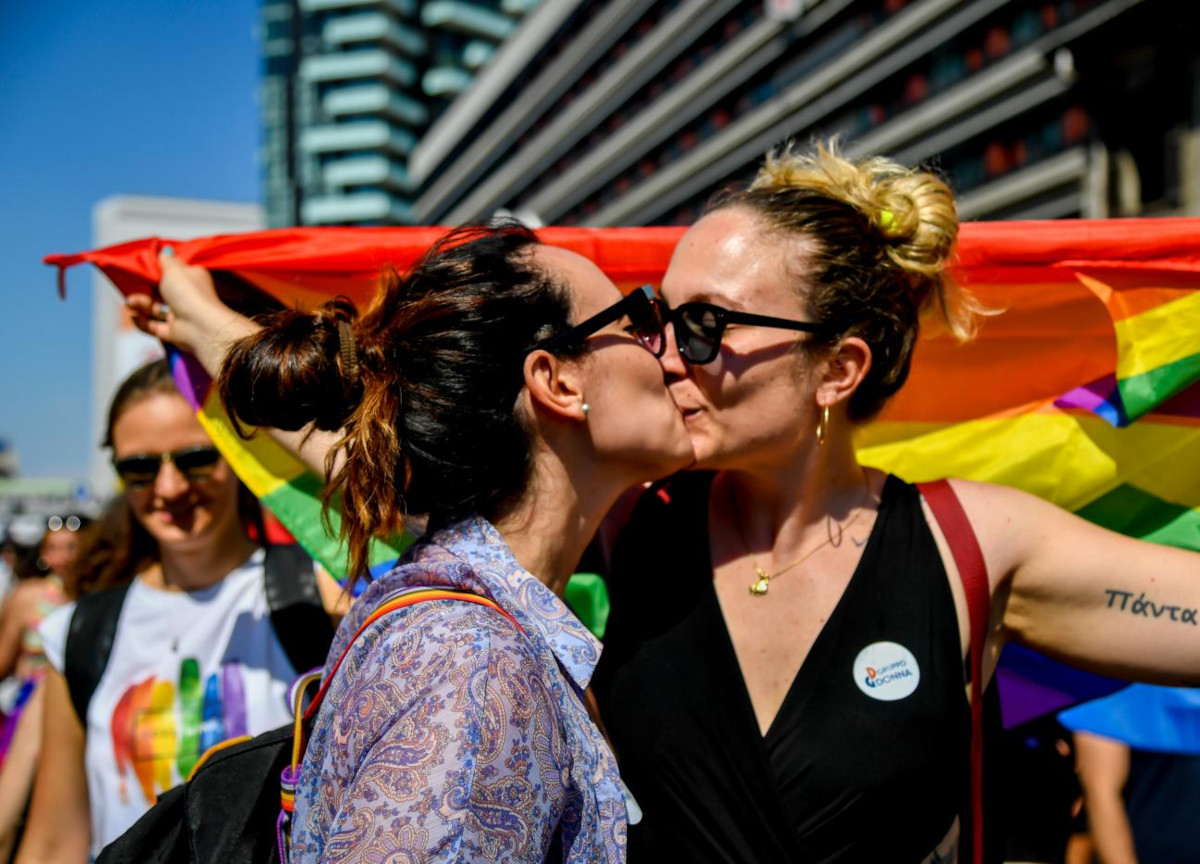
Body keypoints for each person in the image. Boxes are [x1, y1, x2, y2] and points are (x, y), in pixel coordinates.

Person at [590, 142, 1200, 863]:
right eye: (661, 319)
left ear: (838, 370)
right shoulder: (618, 514)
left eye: (706, 327)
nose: (665, 355)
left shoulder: (966, 546)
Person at [126, 222, 694, 862]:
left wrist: (202, 318)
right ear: (557, 383)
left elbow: (355, 452)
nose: (670, 353)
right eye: (638, 319)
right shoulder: (473, 667)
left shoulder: (478, 618)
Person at [15, 359, 343, 864]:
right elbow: (56, 840)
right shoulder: (79, 632)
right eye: (140, 469)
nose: (169, 488)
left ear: (235, 454)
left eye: (194, 458)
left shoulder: (317, 597)